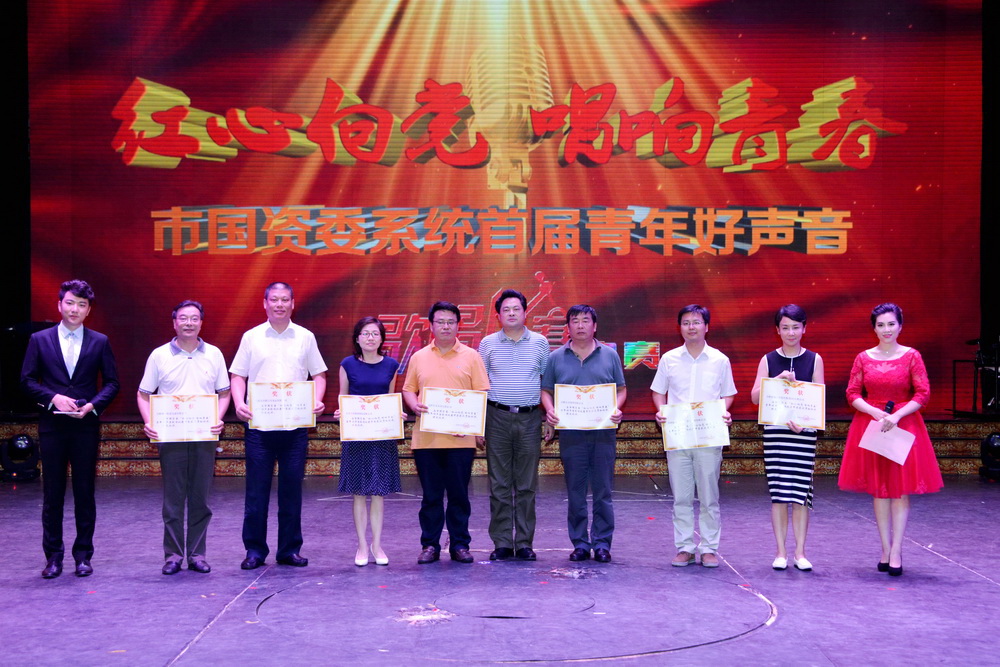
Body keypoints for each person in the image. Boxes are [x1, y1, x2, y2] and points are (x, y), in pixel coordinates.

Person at [21, 279, 120, 579]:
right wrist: (53, 398)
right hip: (52, 426)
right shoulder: (39, 339)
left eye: (81, 304)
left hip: (84, 426)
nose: (75, 309)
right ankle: (53, 557)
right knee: (52, 493)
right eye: (70, 303)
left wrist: (92, 405)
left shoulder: (99, 341)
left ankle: (83, 555)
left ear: (88, 310)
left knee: (84, 492)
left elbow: (112, 383)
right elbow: (27, 380)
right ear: (59, 305)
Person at [838, 303, 943, 576]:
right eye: (881, 325)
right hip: (872, 425)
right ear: (874, 328)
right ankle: (885, 548)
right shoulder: (863, 357)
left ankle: (897, 550)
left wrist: (896, 416)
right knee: (879, 490)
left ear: (900, 326)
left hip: (903, 425)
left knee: (900, 490)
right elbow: (852, 393)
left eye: (891, 324)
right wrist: (873, 412)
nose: (886, 329)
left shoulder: (911, 356)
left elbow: (923, 393)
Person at [230, 282, 327, 570]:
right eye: (274, 300)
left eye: (285, 300)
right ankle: (254, 551)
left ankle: (289, 550)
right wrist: (239, 403)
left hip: (295, 428)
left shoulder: (305, 337)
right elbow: (238, 376)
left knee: (291, 491)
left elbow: (319, 375)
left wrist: (317, 400)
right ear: (265, 303)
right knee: (256, 492)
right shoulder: (252, 337)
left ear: (293, 304)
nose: (280, 305)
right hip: (259, 428)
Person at [137, 300, 231, 575]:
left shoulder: (214, 354)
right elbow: (144, 394)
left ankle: (197, 554)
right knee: (173, 500)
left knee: (201, 498)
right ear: (174, 322)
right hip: (171, 436)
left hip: (204, 437)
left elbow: (224, 393)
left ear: (201, 323)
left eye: (194, 318)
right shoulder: (159, 355)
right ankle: (174, 555)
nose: (188, 323)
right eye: (183, 318)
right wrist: (149, 421)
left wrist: (218, 418)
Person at [402, 301, 490, 565]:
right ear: (431, 325)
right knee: (431, 496)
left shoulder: (471, 356)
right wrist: (413, 404)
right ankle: (430, 545)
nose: (445, 326)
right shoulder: (419, 357)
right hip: (427, 440)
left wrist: (474, 426)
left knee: (459, 495)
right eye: (440, 322)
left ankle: (460, 544)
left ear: (458, 325)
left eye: (451, 322)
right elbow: (408, 389)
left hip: (461, 440)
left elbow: (481, 394)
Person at [651, 305, 736, 569]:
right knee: (682, 497)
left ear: (706, 327)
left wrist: (723, 412)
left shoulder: (720, 360)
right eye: (686, 322)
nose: (691, 327)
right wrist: (661, 411)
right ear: (680, 328)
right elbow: (658, 391)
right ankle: (685, 547)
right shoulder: (669, 359)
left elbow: (728, 393)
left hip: (709, 436)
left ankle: (709, 548)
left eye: (696, 322)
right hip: (678, 437)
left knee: (710, 497)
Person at [541, 305, 626, 563]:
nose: (580, 325)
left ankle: (602, 544)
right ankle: (580, 543)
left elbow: (621, 389)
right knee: (576, 491)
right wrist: (550, 410)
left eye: (585, 320)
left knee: (603, 491)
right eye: (575, 321)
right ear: (568, 326)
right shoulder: (556, 357)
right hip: (571, 434)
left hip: (603, 433)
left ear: (594, 325)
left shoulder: (609, 355)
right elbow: (546, 390)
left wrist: (616, 408)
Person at [750, 305, 825, 572]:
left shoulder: (814, 359)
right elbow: (755, 397)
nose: (791, 332)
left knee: (801, 495)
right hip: (776, 435)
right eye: (785, 328)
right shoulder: (768, 359)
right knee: (780, 494)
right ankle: (780, 552)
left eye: (795, 327)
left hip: (803, 436)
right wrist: (776, 380)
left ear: (804, 328)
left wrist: (805, 425)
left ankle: (800, 553)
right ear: (777, 330)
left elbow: (818, 401)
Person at [478, 289, 552, 561]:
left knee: (526, 484)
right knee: (499, 484)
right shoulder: (487, 344)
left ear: (525, 312)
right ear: (498, 315)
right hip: (496, 417)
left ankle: (523, 543)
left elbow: (546, 383)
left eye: (516, 308)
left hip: (530, 418)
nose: (511, 313)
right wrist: (478, 425)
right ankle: (501, 542)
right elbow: (480, 385)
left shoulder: (541, 343)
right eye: (506, 309)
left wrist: (549, 417)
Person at [334, 316, 402, 567]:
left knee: (379, 493)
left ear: (382, 338)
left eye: (375, 333)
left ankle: (377, 545)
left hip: (382, 436)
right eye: (365, 333)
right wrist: (341, 412)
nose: (370, 338)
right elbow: (343, 397)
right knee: (359, 493)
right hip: (357, 435)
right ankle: (362, 545)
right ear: (357, 338)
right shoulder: (347, 364)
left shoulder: (391, 365)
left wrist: (397, 413)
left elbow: (391, 398)